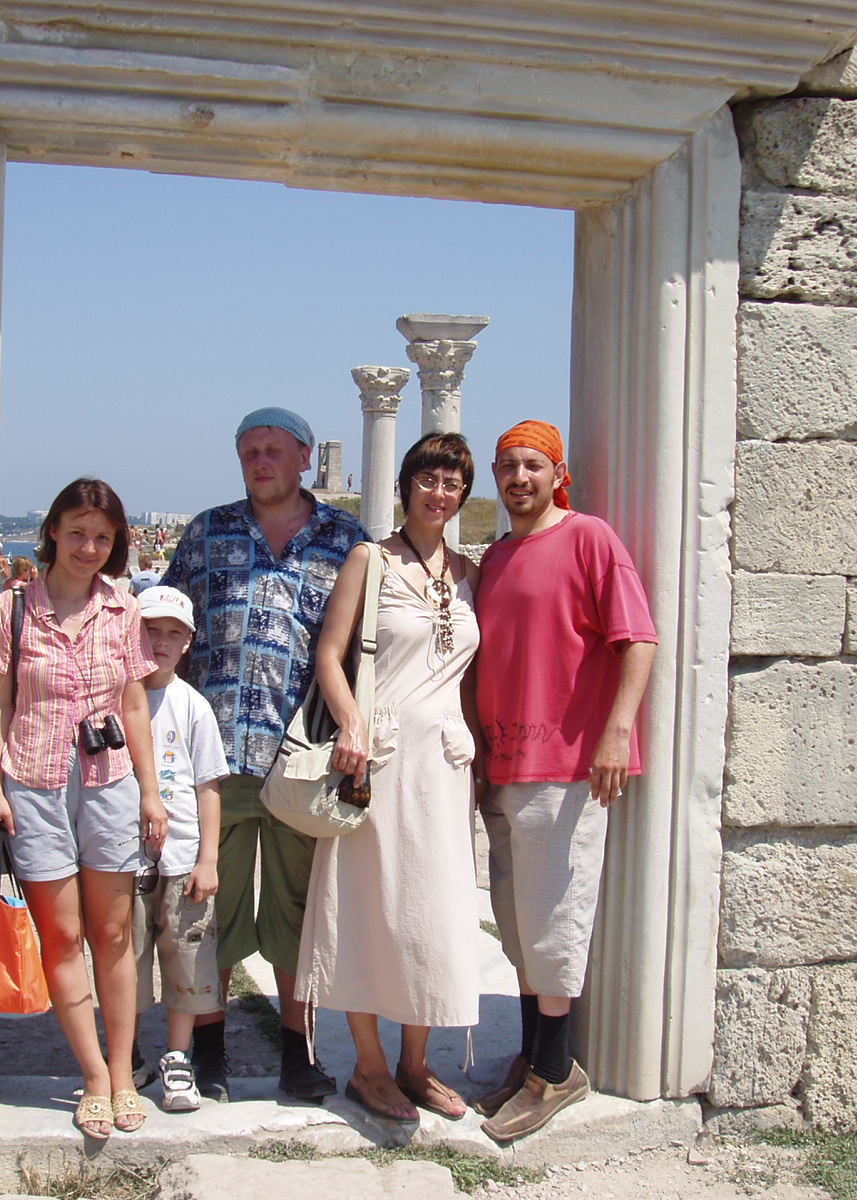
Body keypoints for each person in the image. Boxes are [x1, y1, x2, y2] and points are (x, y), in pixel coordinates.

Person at [162, 406, 366, 1103]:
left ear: (306, 457)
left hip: (303, 758)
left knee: (298, 913)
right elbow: (165, 626)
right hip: (214, 759)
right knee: (206, 907)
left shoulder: (345, 539)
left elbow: (368, 644)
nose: (261, 461)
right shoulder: (207, 531)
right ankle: (208, 1048)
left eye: (275, 450)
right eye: (250, 451)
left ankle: (298, 1049)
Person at [472, 421, 658, 1143]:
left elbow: (638, 639)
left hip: (568, 764)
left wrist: (616, 732)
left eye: (533, 465)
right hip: (503, 765)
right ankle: (531, 1059)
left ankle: (556, 1072)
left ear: (558, 474)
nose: (519, 478)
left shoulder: (590, 539)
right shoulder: (496, 556)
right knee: (518, 923)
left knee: (555, 922)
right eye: (508, 466)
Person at [295, 432, 483, 1122]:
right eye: (429, 479)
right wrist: (351, 723)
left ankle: (416, 1064)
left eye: (452, 483)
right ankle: (369, 1067)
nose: (440, 493)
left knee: (433, 912)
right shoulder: (369, 560)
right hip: (378, 760)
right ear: (406, 485)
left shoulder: (469, 573)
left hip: (446, 765)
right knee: (369, 905)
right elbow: (330, 655)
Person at [0, 478, 169, 1140]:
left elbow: (134, 702)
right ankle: (91, 1074)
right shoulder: (13, 608)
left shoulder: (123, 609)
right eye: (78, 533)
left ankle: (123, 1072)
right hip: (33, 782)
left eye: (102, 537)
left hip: (108, 780)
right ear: (54, 532)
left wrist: (150, 790)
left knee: (113, 934)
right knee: (61, 937)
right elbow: (2, 703)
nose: (89, 548)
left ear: (115, 543)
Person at [131, 585, 230, 1112]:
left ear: (188, 642)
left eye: (173, 634)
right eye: (151, 631)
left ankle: (176, 1056)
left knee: (187, 959)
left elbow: (208, 786)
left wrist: (208, 858)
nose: (161, 643)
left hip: (183, 857)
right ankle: (126, 1054)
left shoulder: (193, 706)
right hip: (124, 858)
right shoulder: (115, 697)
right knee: (126, 956)